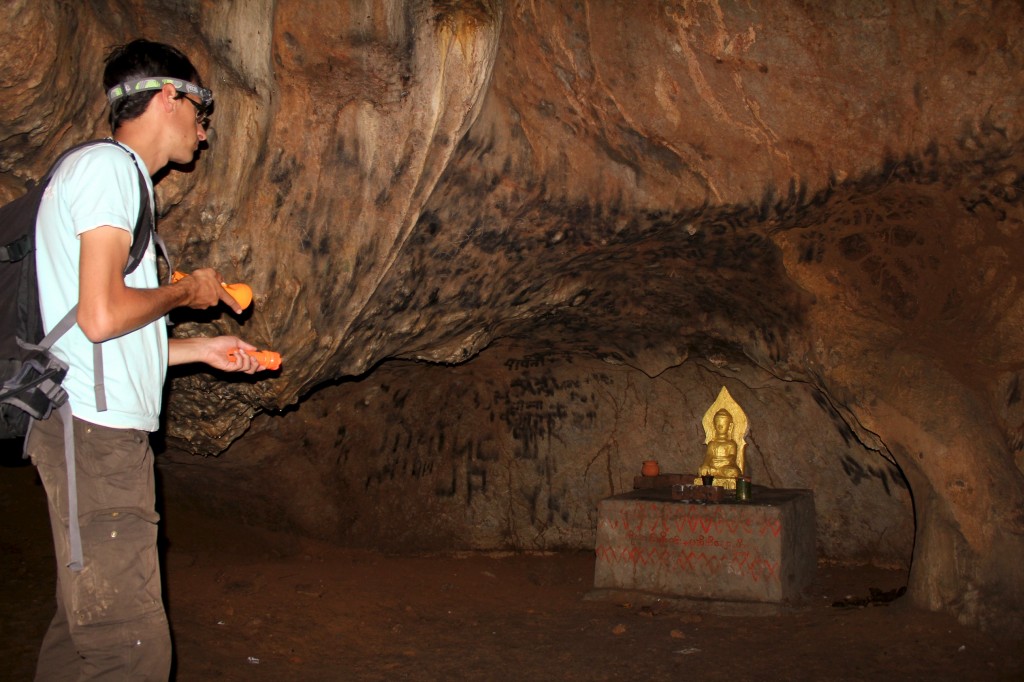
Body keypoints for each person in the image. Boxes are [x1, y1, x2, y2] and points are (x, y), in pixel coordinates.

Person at [25, 39, 269, 680]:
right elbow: (103, 314)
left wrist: (201, 350)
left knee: (83, 634)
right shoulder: (109, 169)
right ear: (170, 96)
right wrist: (187, 291)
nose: (205, 131)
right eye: (202, 110)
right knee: (128, 648)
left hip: (92, 426)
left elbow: (102, 335)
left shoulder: (113, 176)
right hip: (93, 435)